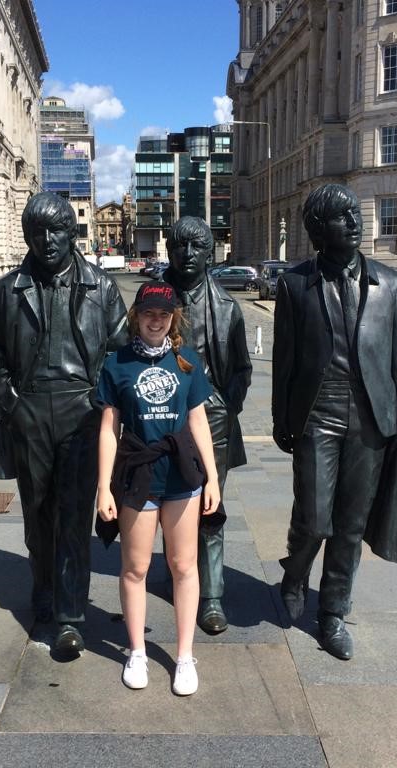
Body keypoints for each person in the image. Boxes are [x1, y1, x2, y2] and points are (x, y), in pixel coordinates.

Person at [272, 183, 397, 661]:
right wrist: (282, 419)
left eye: (355, 214)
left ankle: (333, 612)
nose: (354, 223)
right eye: (340, 217)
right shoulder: (295, 284)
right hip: (318, 412)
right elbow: (285, 360)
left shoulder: (391, 284)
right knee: (315, 519)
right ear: (318, 229)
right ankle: (295, 572)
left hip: (371, 419)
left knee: (349, 525)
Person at [0, 191, 127, 658]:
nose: (47, 240)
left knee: (73, 516)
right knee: (37, 513)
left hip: (81, 411)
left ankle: (70, 616)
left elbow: (117, 348)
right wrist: (10, 400)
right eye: (37, 232)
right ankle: (42, 583)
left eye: (57, 230)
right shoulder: (8, 290)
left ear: (72, 232)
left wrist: (100, 399)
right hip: (29, 408)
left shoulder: (101, 288)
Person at [96, 280, 221, 695]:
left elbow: (199, 420)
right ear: (137, 316)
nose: (156, 321)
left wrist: (213, 478)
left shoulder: (186, 360)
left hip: (181, 473)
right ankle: (136, 651)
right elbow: (110, 428)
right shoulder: (117, 363)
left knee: (184, 565)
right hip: (138, 471)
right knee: (136, 568)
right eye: (149, 313)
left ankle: (185, 657)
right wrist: (103, 487)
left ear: (173, 318)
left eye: (164, 315)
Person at [162, 216, 252, 634]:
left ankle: (211, 596)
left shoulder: (226, 306)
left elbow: (241, 368)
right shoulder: (152, 300)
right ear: (168, 250)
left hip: (211, 416)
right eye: (180, 246)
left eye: (197, 247)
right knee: (168, 502)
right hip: (160, 414)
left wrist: (225, 401)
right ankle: (179, 571)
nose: (187, 254)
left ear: (209, 253)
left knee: (210, 507)